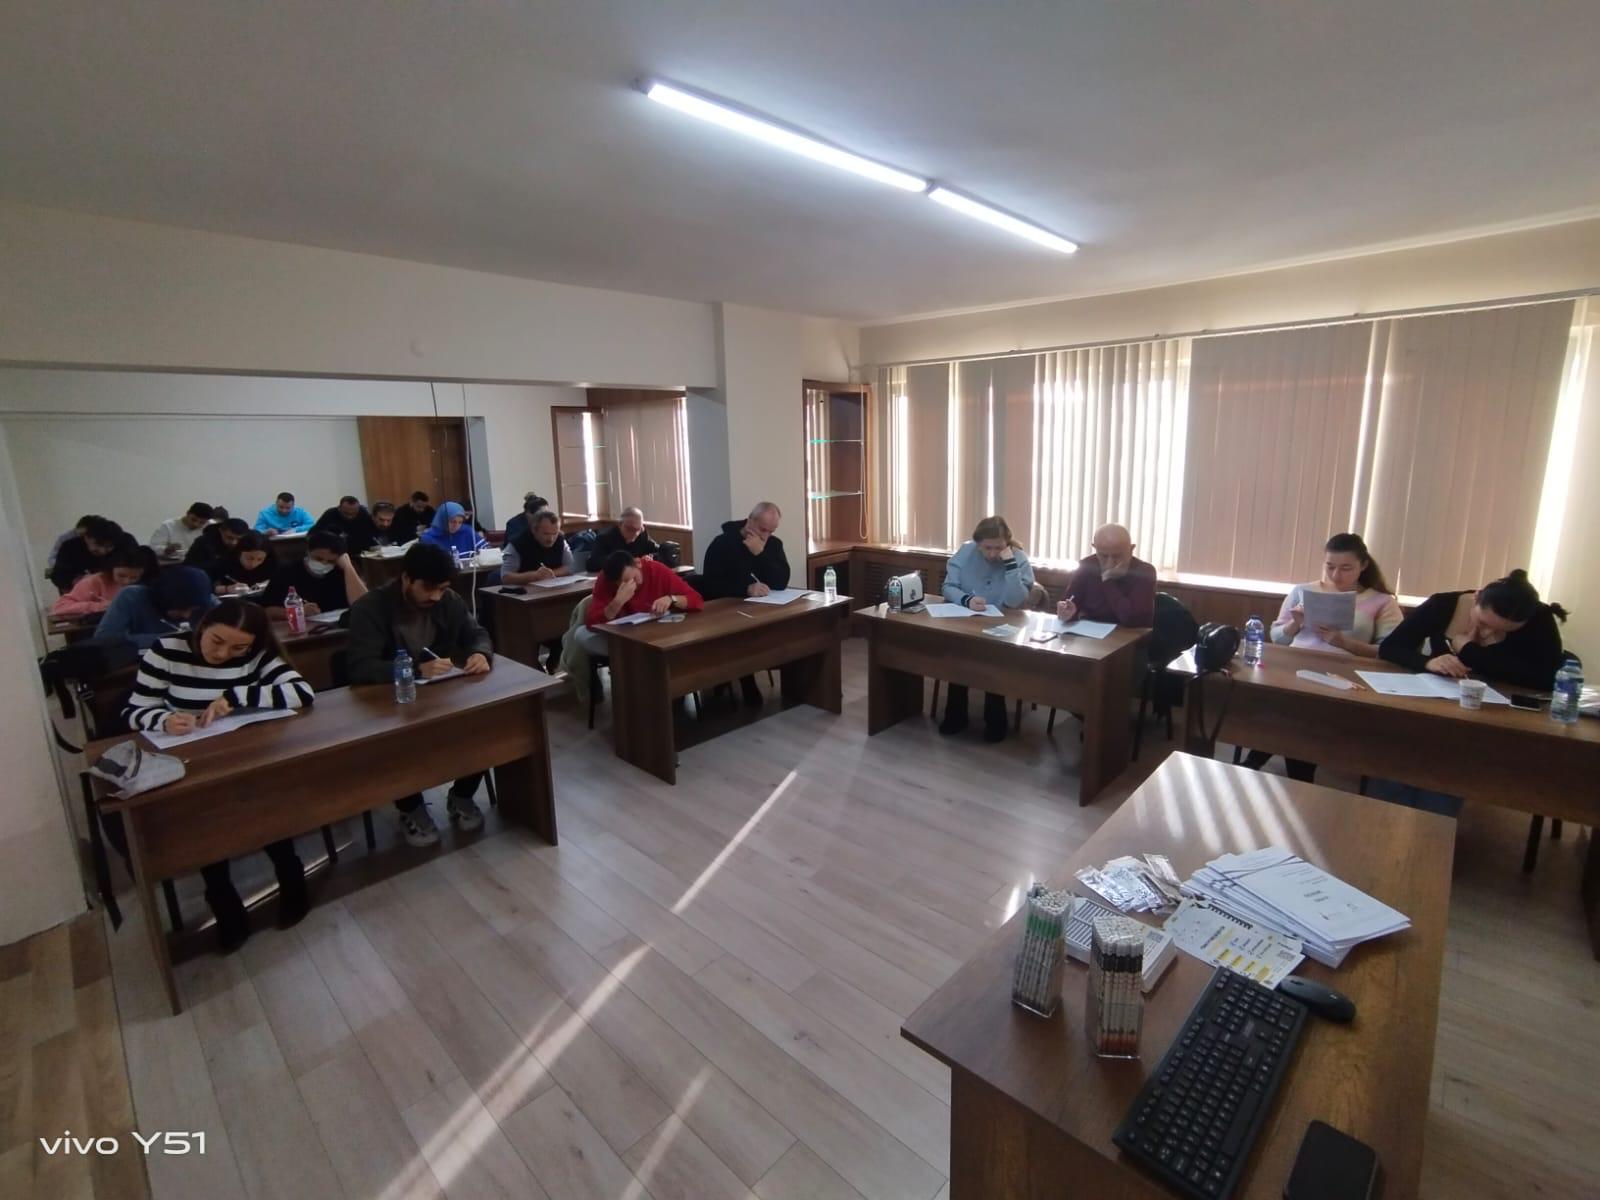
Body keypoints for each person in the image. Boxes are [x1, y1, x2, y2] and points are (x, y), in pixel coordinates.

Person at [123, 601, 314, 950]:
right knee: (206, 823)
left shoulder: (255, 653)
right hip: (192, 761)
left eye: (237, 648)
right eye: (216, 641)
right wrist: (163, 720)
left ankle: (291, 880)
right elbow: (135, 710)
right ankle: (224, 903)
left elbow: (302, 692)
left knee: (267, 809)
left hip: (247, 758)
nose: (223, 654)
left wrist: (236, 696)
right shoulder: (166, 651)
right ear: (202, 627)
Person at [346, 542, 494, 847]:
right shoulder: (370, 608)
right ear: (406, 578)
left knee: (485, 724)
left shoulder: (448, 600)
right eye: (428, 588)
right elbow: (361, 666)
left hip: (440, 694)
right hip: (390, 701)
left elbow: (477, 633)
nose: (436, 596)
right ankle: (411, 808)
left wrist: (480, 652)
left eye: (442, 588)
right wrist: (414, 669)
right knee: (398, 745)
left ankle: (462, 795)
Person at [1243, 533, 1403, 782]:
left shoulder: (1381, 602)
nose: (1336, 575)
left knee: (1298, 713)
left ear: (1363, 565)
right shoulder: (1303, 591)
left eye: (1346, 568)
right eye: (1330, 567)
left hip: (1343, 678)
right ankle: (1296, 777)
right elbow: (1277, 637)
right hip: (1295, 669)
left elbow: (1391, 651)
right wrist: (1295, 623)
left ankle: (1256, 763)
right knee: (1290, 708)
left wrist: (1344, 642)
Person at [1380, 569, 1569, 691]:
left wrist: (1470, 651)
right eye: (1483, 623)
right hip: (1440, 700)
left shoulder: (1539, 618)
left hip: (1505, 711)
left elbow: (1549, 679)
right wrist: (1428, 663)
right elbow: (1389, 648)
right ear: (1476, 597)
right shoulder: (1442, 605)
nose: (1487, 633)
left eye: (1502, 631)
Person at [938, 516, 1037, 741]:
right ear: (977, 544)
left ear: (1007, 544)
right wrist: (966, 600)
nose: (992, 554)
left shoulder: (1018, 559)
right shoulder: (966, 552)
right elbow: (948, 587)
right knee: (958, 657)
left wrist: (1009, 563)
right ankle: (956, 716)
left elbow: (1015, 601)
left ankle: (996, 721)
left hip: (1005, 625)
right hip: (968, 621)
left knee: (993, 662)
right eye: (987, 548)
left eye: (998, 548)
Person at [700, 501, 789, 705]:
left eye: (771, 531)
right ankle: (744, 679)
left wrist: (761, 554)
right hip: (726, 613)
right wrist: (746, 589)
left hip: (763, 611)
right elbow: (710, 585)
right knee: (742, 636)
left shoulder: (773, 544)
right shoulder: (722, 544)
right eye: (763, 529)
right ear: (749, 521)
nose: (766, 536)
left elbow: (781, 581)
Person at [574, 550, 703, 658]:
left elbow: (696, 600)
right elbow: (591, 624)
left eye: (634, 579)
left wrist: (672, 599)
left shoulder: (657, 570)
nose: (632, 586)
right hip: (625, 639)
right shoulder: (605, 579)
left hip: (657, 635)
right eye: (623, 584)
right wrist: (616, 604)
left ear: (638, 563)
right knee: (581, 634)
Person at [96, 564, 218, 651]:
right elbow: (104, 639)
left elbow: (229, 625)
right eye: (181, 609)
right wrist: (168, 639)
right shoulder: (132, 597)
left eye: (194, 609)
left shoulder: (205, 599)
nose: (187, 615)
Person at [1056, 523, 1157, 627]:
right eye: (1103, 556)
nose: (1110, 563)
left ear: (1131, 549)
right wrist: (1066, 612)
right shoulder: (1087, 565)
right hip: (1090, 632)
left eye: (1117, 556)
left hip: (1130, 634)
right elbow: (1070, 601)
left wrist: (1108, 581)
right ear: (1095, 548)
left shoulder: (1145, 571)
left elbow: (1131, 619)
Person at [261, 530, 368, 619]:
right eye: (318, 559)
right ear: (308, 552)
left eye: (330, 561)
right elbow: (268, 611)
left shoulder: (341, 570)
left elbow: (364, 605)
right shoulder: (286, 572)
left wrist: (348, 567)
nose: (324, 563)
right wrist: (299, 611)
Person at [50, 546, 148, 619]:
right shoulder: (94, 581)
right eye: (121, 575)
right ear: (111, 569)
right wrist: (100, 606)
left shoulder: (145, 583)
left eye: (134, 577)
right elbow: (59, 607)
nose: (127, 582)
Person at [50, 516, 127, 594]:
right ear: (87, 537)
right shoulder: (70, 547)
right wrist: (78, 581)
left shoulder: (122, 547)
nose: (102, 551)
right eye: (98, 544)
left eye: (109, 547)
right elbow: (59, 576)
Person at [503, 509, 573, 583]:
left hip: (555, 586)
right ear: (534, 530)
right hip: (526, 588)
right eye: (546, 534)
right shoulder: (517, 544)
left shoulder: (560, 540)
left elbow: (571, 567)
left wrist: (551, 574)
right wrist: (534, 576)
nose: (551, 539)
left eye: (555, 533)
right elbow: (505, 577)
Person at [207, 531, 276, 595]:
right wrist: (226, 589)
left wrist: (267, 584)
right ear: (239, 553)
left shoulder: (270, 563)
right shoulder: (224, 562)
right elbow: (204, 587)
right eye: (249, 558)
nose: (253, 564)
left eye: (260, 559)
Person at [312, 495, 381, 556]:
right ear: (339, 508)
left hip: (361, 552)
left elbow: (371, 533)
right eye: (346, 513)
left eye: (354, 514)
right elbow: (315, 534)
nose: (349, 517)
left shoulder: (363, 513)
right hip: (337, 553)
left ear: (358, 509)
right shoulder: (330, 514)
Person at [420, 500, 489, 560]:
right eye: (452, 522)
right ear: (442, 519)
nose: (456, 526)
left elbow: (486, 551)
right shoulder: (428, 538)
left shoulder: (467, 531)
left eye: (460, 522)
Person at [590, 506, 660, 562]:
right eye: (630, 529)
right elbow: (592, 563)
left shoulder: (642, 535)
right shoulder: (604, 538)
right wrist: (627, 562)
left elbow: (660, 551)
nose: (635, 533)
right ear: (620, 524)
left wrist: (650, 557)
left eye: (638, 529)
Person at [149, 501, 214, 559]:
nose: (196, 524)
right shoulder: (168, 526)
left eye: (202, 523)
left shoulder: (210, 526)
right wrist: (166, 550)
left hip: (201, 562)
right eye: (193, 519)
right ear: (187, 513)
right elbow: (153, 548)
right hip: (175, 564)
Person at [185, 516, 250, 570]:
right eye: (230, 538)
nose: (234, 542)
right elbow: (189, 567)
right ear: (221, 531)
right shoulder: (203, 542)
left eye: (239, 539)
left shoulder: (246, 544)